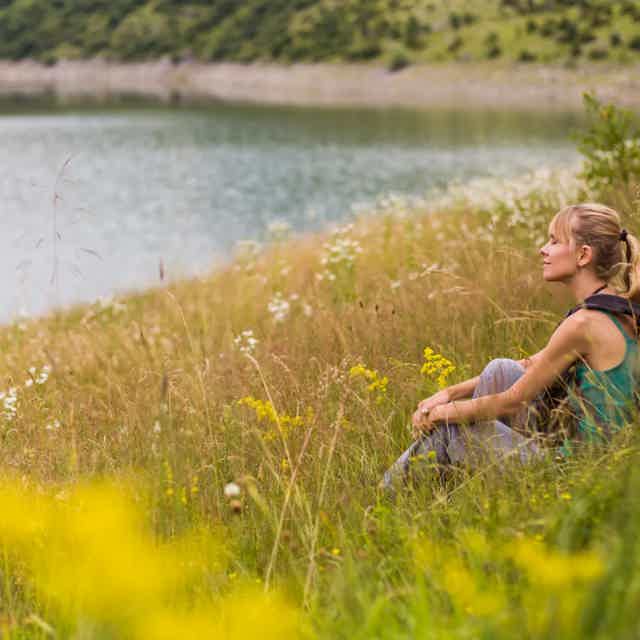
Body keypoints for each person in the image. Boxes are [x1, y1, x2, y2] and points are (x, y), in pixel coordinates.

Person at [382, 203, 640, 491]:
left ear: (583, 255)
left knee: (454, 431)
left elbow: (511, 401)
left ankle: (384, 498)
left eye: (554, 241)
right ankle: (467, 490)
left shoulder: (583, 324)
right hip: (597, 462)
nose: (543, 249)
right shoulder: (619, 308)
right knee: (501, 369)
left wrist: (438, 415)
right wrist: (447, 393)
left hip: (578, 475)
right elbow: (530, 366)